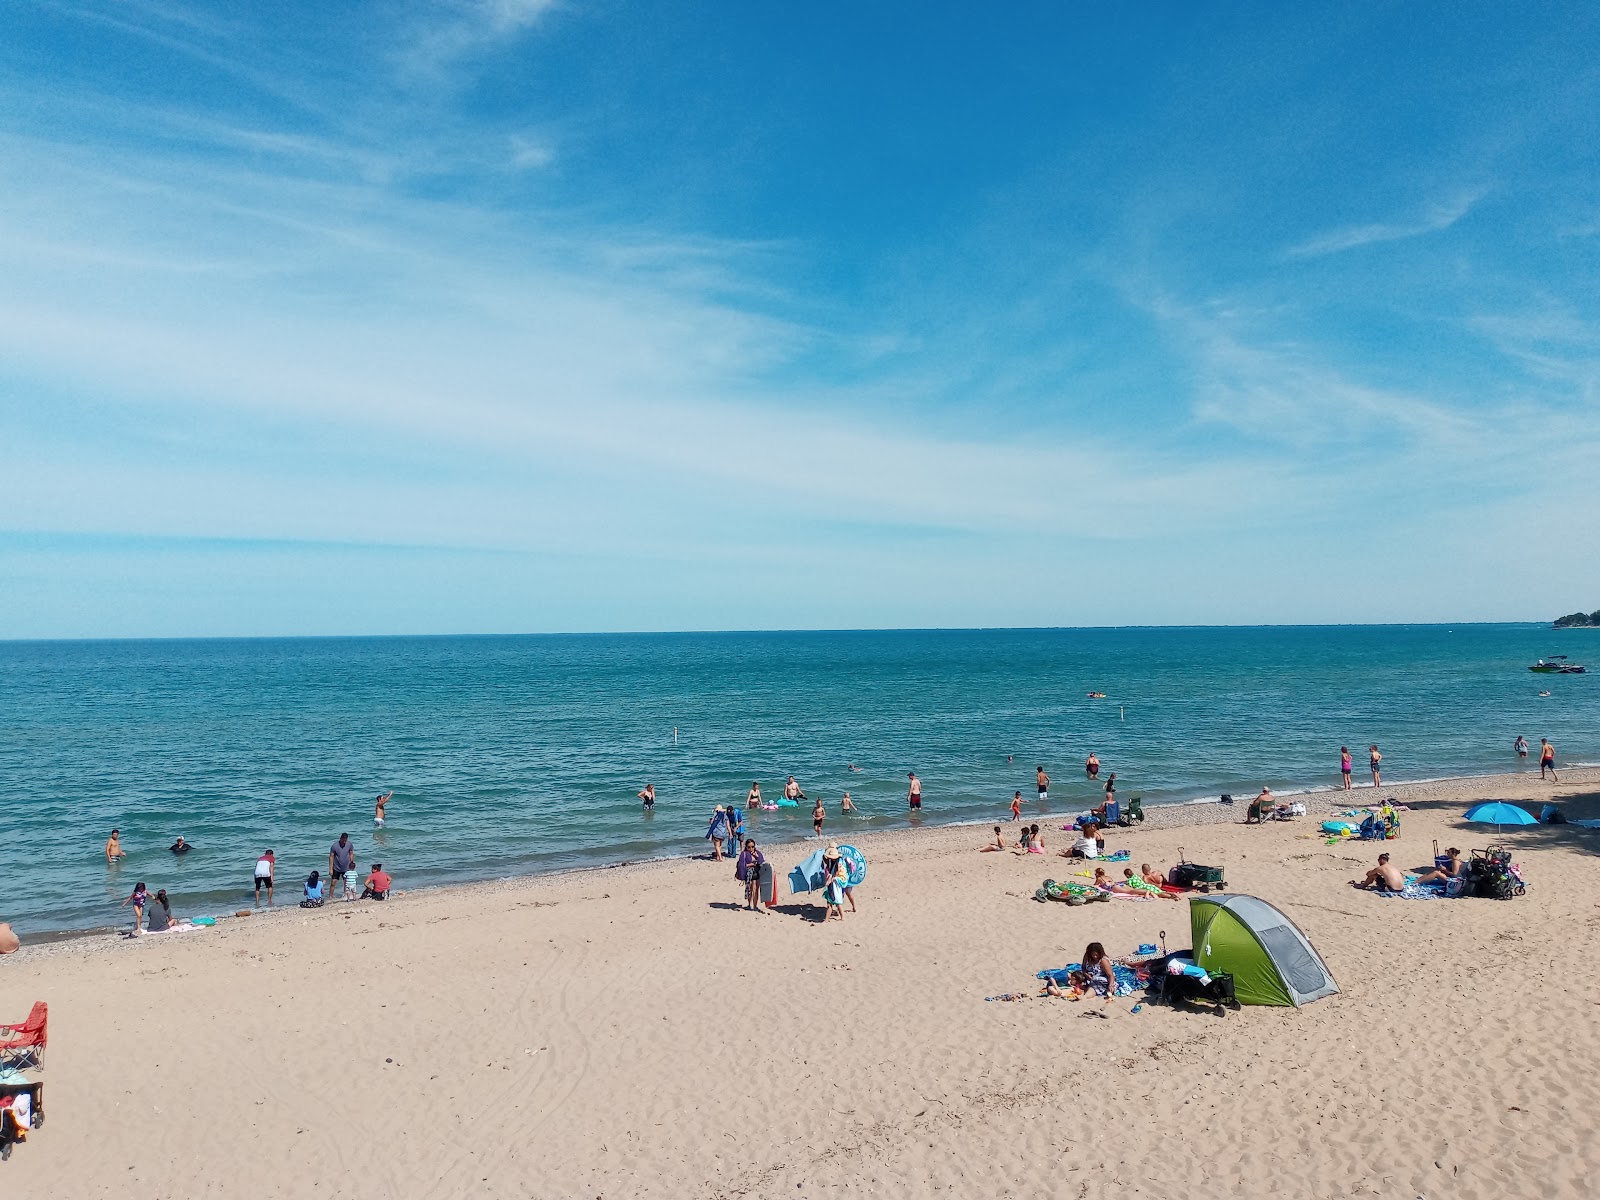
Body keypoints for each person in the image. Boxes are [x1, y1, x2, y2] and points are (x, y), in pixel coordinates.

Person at [735, 839, 767, 911]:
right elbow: (741, 865)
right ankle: (749, 904)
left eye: (752, 846)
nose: (751, 848)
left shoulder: (758, 853)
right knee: (750, 889)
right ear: (746, 847)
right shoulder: (744, 854)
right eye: (749, 847)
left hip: (757, 872)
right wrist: (751, 864)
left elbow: (762, 862)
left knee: (756, 889)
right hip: (748, 873)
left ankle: (755, 906)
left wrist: (757, 857)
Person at [821, 845, 847, 921]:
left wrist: (833, 879)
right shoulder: (831, 863)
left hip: (836, 886)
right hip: (832, 885)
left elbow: (842, 877)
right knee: (829, 902)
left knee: (838, 902)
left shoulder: (840, 864)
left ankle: (842, 917)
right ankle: (826, 919)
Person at [328, 833, 357, 899]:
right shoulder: (334, 846)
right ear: (340, 838)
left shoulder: (349, 844)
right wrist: (330, 869)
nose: (344, 842)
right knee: (333, 882)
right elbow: (331, 857)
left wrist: (352, 864)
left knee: (346, 882)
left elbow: (351, 854)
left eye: (345, 840)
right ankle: (330, 896)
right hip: (336, 867)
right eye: (343, 840)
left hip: (346, 867)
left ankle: (345, 894)